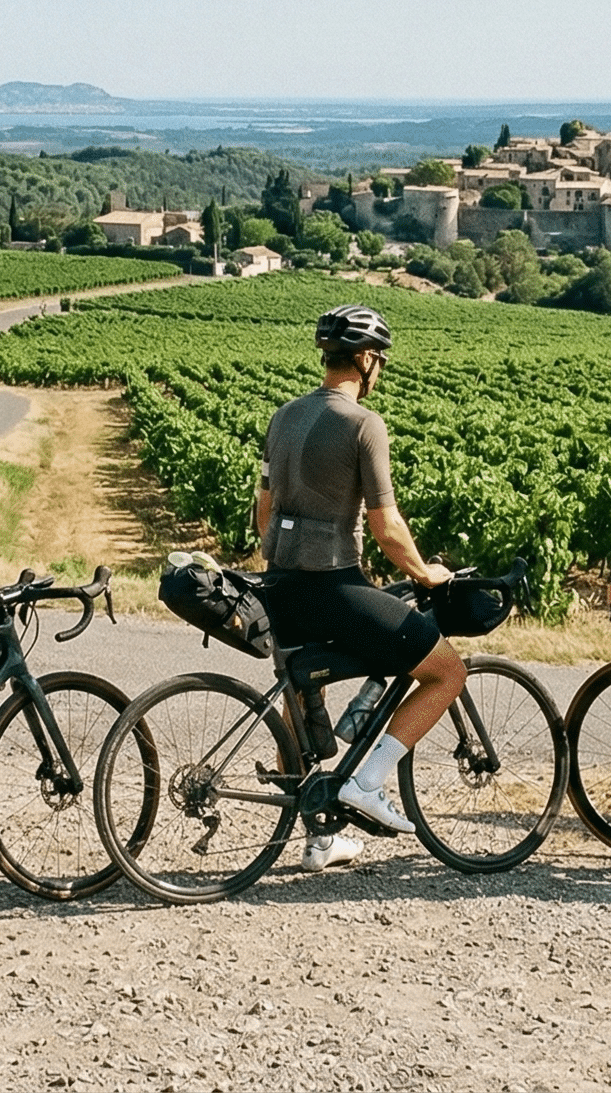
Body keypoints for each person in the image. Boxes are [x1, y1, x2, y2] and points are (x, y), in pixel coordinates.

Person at [255, 303, 464, 872]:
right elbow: (386, 524)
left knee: (304, 701)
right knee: (447, 670)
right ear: (368, 360)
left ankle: (319, 840)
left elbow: (264, 509)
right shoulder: (363, 425)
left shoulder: (283, 416)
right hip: (331, 587)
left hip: (279, 584)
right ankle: (369, 783)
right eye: (381, 361)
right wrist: (426, 573)